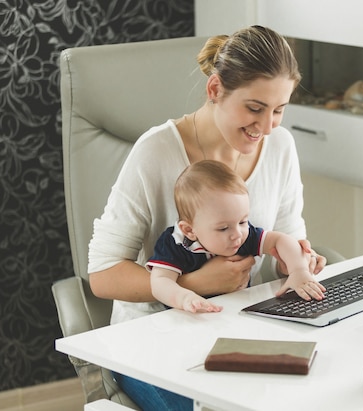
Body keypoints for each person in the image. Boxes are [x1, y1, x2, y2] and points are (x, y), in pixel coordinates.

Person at [86, 25, 327, 410]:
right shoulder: (156, 152)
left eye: (279, 110)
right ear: (215, 90)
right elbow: (102, 274)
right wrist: (193, 282)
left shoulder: (280, 146)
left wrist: (297, 263)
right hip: (151, 341)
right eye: (254, 108)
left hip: (240, 329)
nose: (266, 127)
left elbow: (288, 237)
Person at [148, 160, 326, 313]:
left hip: (237, 314)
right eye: (223, 228)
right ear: (189, 230)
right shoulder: (176, 243)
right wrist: (184, 298)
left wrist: (299, 270)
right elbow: (160, 282)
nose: (237, 235)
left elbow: (281, 240)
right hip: (188, 320)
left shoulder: (243, 234)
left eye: (242, 221)